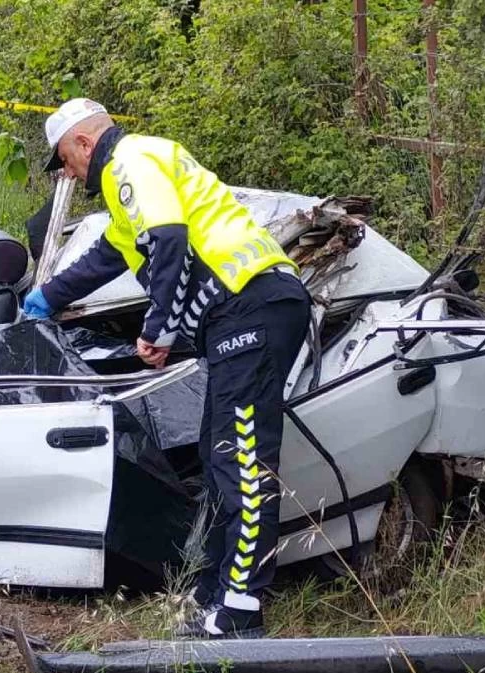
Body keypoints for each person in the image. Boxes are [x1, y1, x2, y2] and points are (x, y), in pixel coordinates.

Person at [23, 98, 311, 639]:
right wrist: (44, 297)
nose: (66, 171)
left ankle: (240, 611)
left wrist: (159, 326)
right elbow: (107, 257)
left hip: (251, 303)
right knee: (217, 451)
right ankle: (214, 590)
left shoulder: (130, 159)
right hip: (243, 311)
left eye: (64, 158)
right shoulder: (129, 189)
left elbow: (170, 239)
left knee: (241, 458)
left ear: (85, 143)